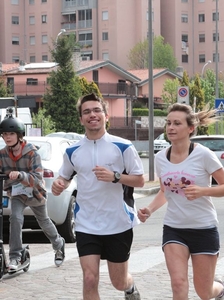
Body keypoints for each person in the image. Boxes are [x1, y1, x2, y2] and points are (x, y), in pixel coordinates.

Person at [51, 93, 145, 300]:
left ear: (106, 115)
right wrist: (60, 184)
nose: (92, 115)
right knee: (90, 279)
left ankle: (130, 288)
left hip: (118, 222)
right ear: (81, 119)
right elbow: (64, 176)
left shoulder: (123, 146)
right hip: (86, 224)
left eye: (96, 110)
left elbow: (140, 180)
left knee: (118, 281)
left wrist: (115, 177)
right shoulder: (72, 151)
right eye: (86, 112)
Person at [138, 103, 224, 300]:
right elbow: (165, 191)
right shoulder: (160, 158)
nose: (171, 128)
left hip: (204, 228)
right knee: (178, 284)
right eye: (168, 123)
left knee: (204, 292)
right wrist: (149, 209)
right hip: (174, 228)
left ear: (191, 128)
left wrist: (202, 191)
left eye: (177, 124)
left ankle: (220, 289)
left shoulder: (203, 155)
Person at [0, 115, 65, 271]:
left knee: (44, 221)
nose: (8, 137)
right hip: (17, 193)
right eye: (5, 134)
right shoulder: (2, 154)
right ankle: (15, 256)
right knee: (15, 218)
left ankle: (58, 244)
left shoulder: (32, 153)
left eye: (11, 134)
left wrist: (21, 175)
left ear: (19, 135)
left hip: (35, 193)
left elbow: (37, 178)